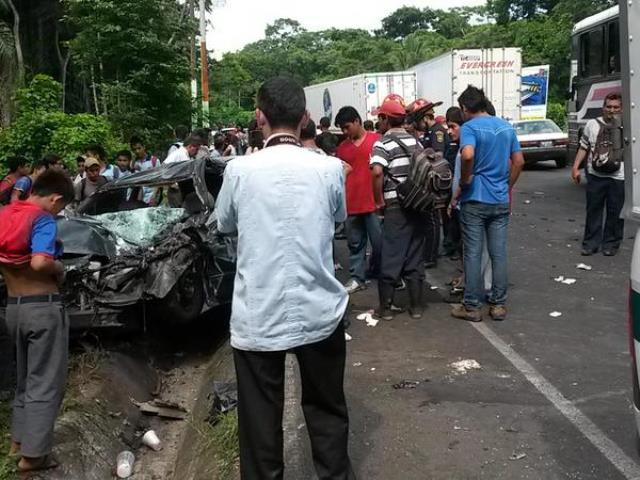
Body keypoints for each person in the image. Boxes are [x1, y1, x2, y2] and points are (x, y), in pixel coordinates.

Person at [215, 76, 354, 480]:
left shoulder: (239, 170)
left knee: (260, 424)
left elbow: (225, 223)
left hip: (258, 312)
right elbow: (338, 219)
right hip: (320, 310)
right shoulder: (329, 170)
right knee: (328, 411)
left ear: (260, 117)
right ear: (305, 118)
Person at [0, 169, 74, 473]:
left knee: (26, 379)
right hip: (42, 308)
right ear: (54, 198)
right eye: (61, 207)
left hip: (13, 307)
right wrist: (59, 269)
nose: (58, 212)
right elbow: (40, 261)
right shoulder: (41, 219)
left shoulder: (4, 214)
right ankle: (34, 456)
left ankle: (18, 442)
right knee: (46, 381)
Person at [451, 85, 524, 323]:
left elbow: (468, 155)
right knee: (498, 253)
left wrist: (465, 179)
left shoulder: (469, 127)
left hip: (475, 198)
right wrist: (507, 185)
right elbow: (519, 161)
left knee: (473, 253)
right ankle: (498, 304)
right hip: (500, 199)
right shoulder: (505, 127)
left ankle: (472, 306)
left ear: (464, 108)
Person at [371, 94, 428, 320]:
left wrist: (378, 201)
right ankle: (415, 307)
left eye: (380, 118)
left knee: (392, 255)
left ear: (385, 119)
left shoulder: (382, 143)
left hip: (395, 205)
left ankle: (386, 309)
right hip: (417, 204)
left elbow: (377, 172)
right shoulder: (416, 141)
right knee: (414, 256)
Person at [571, 92, 625, 256]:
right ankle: (591, 244)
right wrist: (575, 167)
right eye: (608, 106)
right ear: (603, 107)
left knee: (615, 212)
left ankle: (611, 244)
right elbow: (583, 147)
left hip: (619, 176)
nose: (612, 110)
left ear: (621, 109)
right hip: (595, 175)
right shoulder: (591, 125)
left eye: (616, 107)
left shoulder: (627, 126)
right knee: (593, 210)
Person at [335, 106, 382, 294]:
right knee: (355, 243)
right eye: (342, 129)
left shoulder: (377, 141)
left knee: (380, 243)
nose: (345, 132)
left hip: (373, 203)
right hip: (351, 203)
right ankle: (357, 277)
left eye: (347, 127)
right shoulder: (343, 148)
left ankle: (382, 273)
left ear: (357, 121)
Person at [130, 136, 161, 205]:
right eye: (134, 149)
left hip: (152, 194)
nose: (137, 151)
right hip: (139, 196)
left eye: (139, 148)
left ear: (144, 147)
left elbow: (159, 179)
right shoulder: (134, 163)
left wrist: (154, 196)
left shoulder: (154, 160)